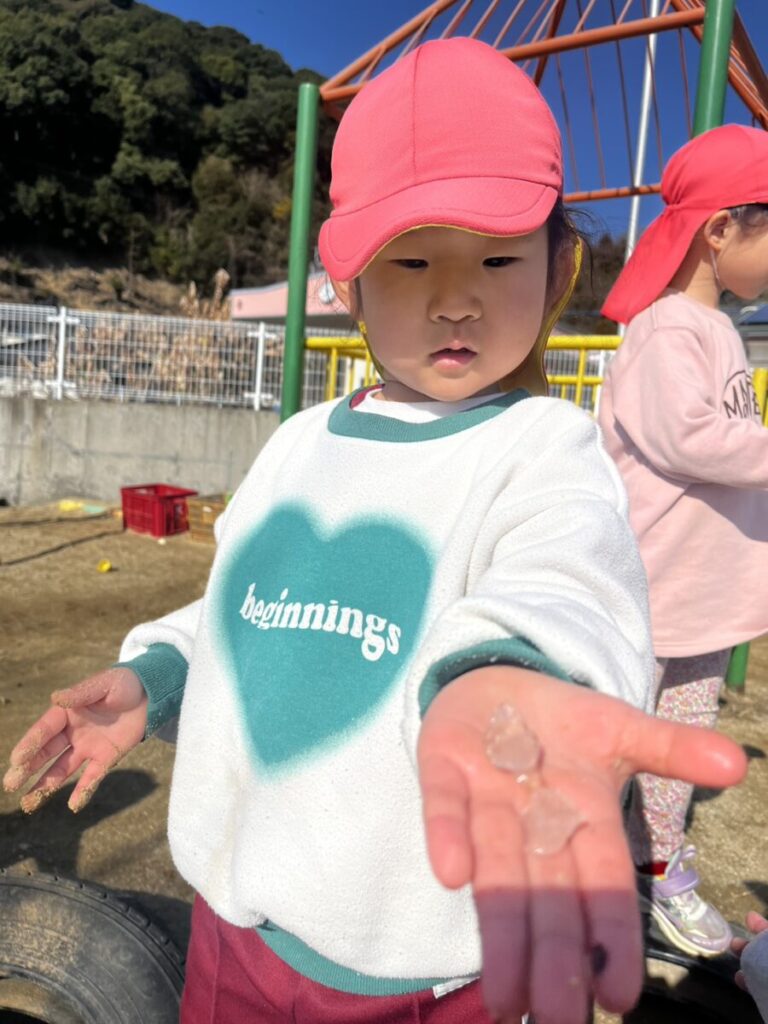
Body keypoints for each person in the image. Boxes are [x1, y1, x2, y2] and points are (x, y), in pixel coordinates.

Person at [4, 39, 747, 1024]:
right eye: (412, 260)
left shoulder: (543, 449)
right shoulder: (300, 442)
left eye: (498, 257)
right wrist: (160, 677)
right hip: (236, 927)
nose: (456, 297)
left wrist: (501, 679)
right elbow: (250, 598)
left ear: (559, 266)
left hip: (424, 971)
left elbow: (566, 583)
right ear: (347, 281)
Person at [598, 124, 768, 960]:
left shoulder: (719, 328)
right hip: (654, 588)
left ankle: (654, 868)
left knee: (672, 747)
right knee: (612, 741)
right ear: (722, 229)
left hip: (698, 593)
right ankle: (598, 872)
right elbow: (687, 438)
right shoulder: (667, 328)